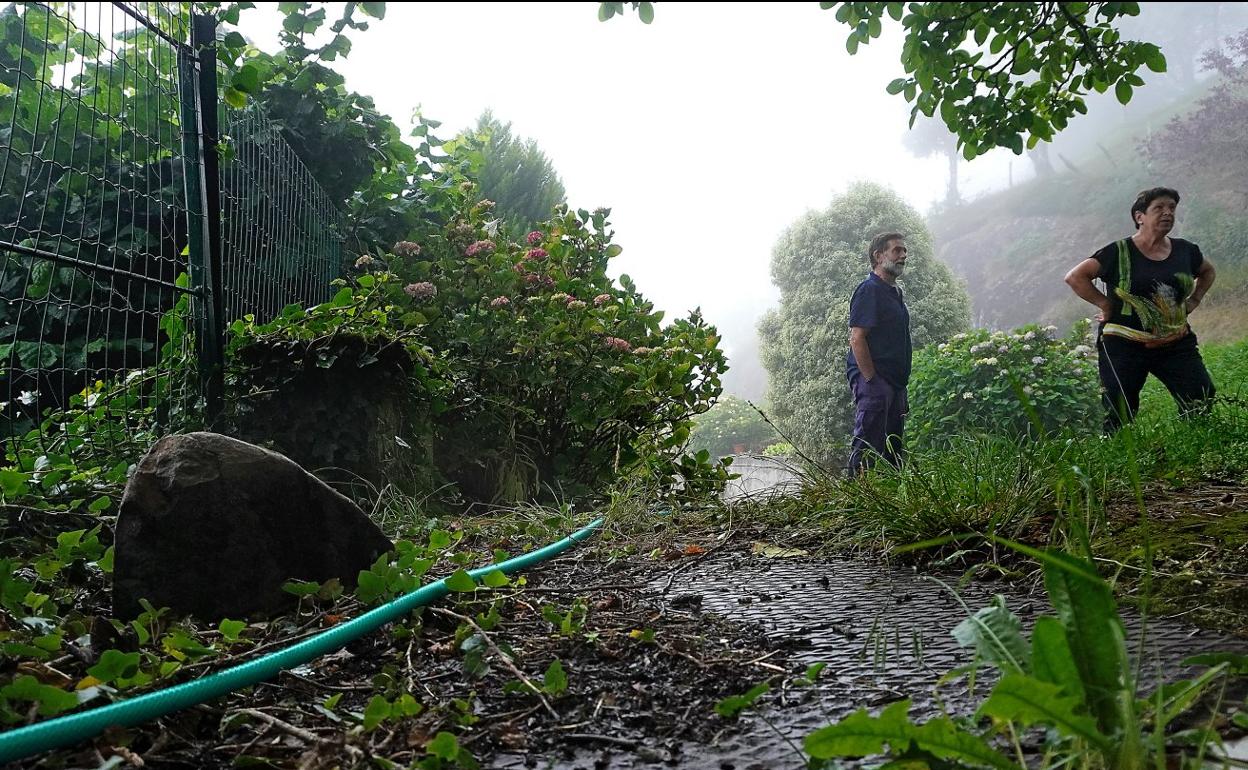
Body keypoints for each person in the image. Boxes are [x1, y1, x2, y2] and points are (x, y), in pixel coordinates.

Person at [1064, 187, 1217, 431]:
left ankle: (1196, 444)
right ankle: (1119, 457)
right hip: (1123, 345)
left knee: (1200, 394)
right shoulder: (1118, 252)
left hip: (1175, 342)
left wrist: (1195, 300)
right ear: (1139, 217)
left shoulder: (1186, 250)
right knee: (1118, 408)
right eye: (1159, 208)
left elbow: (1208, 271)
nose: (1167, 213)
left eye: (1171, 208)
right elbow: (1075, 277)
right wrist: (1105, 303)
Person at [846, 232, 912, 473]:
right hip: (874, 381)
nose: (903, 255)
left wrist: (899, 385)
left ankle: (891, 503)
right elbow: (857, 338)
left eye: (904, 250)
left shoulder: (895, 292)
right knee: (867, 446)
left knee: (893, 450)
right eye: (897, 250)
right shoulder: (868, 290)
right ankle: (855, 504)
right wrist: (872, 381)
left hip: (894, 383)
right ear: (878, 255)